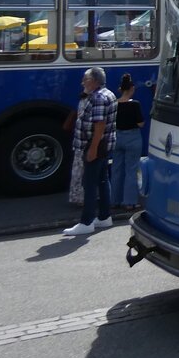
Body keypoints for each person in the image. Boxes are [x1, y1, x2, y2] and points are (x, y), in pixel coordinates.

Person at [62, 67, 118, 236]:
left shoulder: (98, 98)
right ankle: (104, 217)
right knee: (102, 180)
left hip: (95, 146)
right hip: (104, 146)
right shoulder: (108, 94)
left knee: (89, 183)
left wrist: (92, 149)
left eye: (85, 79)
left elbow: (99, 125)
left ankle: (86, 222)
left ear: (94, 81)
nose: (82, 83)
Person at [110, 73, 144, 211]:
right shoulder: (134, 104)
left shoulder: (114, 104)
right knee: (131, 170)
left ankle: (114, 200)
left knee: (116, 169)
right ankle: (129, 202)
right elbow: (140, 124)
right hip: (132, 138)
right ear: (131, 89)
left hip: (117, 137)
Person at [65, 90, 88, 206]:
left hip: (78, 141)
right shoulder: (91, 103)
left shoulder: (80, 102)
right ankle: (84, 197)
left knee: (77, 171)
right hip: (86, 141)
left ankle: (76, 196)